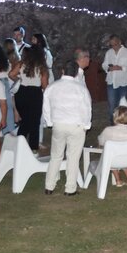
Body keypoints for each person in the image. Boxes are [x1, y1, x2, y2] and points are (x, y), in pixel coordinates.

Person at [43, 60, 92, 196]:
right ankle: (70, 188)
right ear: (76, 73)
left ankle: (49, 186)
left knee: (56, 156)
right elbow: (87, 108)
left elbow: (46, 106)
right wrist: (86, 125)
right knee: (73, 157)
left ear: (63, 71)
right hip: (76, 125)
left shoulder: (52, 87)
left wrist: (50, 122)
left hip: (58, 124)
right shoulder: (81, 88)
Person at [10, 44, 49, 150]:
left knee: (25, 121)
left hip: (21, 92)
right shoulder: (42, 67)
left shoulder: (22, 63)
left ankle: (19, 145)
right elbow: (45, 85)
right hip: (35, 93)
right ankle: (33, 147)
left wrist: (19, 79)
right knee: (34, 122)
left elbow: (11, 74)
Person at [98, 105, 127, 188]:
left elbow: (101, 141)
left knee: (109, 154)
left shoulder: (108, 130)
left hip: (113, 161)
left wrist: (100, 144)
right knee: (122, 157)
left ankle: (118, 180)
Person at [103, 35, 127, 122]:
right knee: (112, 105)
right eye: (111, 45)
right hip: (111, 82)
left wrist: (120, 68)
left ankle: (123, 124)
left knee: (122, 106)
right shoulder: (109, 52)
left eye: (115, 45)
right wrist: (109, 68)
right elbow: (104, 65)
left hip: (122, 83)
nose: (113, 47)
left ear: (120, 42)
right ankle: (112, 125)